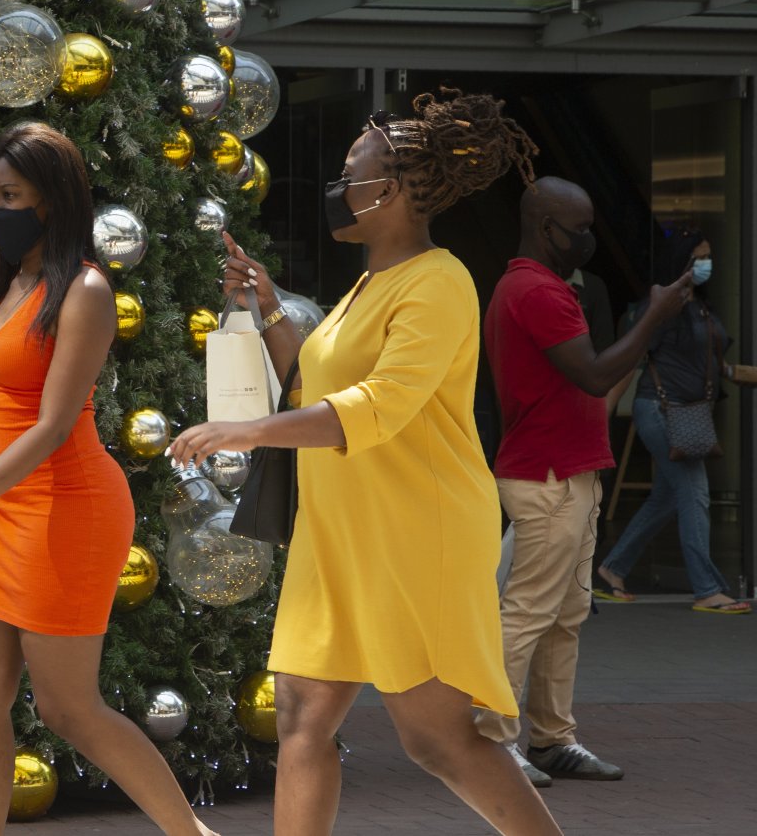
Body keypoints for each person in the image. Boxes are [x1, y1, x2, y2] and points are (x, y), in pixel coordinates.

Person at [169, 92, 560, 836]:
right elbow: (321, 387)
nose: (338, 186)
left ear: (395, 189)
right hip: (343, 529)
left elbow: (377, 407)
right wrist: (271, 309)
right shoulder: (370, 284)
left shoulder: (440, 281)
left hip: (415, 528)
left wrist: (247, 432)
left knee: (436, 737)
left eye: (353, 171)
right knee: (302, 716)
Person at [0, 123, 219, 836]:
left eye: (11, 194)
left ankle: (192, 834)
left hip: (66, 505)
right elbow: (7, 416)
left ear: (54, 200)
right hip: (1, 506)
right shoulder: (14, 280)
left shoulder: (87, 290)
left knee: (68, 708)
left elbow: (51, 429)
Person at [478, 177, 691, 787]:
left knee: (564, 614)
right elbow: (595, 376)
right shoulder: (536, 291)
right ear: (547, 228)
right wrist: (653, 315)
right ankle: (496, 738)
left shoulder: (534, 287)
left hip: (569, 471)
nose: (589, 239)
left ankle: (551, 739)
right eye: (580, 228)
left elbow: (589, 383)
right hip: (546, 474)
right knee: (527, 612)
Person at [597, 229, 753, 614]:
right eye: (699, 258)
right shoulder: (664, 306)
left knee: (668, 496)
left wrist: (741, 373)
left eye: (708, 256)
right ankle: (707, 589)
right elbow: (631, 358)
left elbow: (714, 365)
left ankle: (612, 569)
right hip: (662, 411)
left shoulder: (699, 305)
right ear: (681, 263)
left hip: (689, 412)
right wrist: (603, 412)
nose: (706, 265)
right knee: (695, 492)